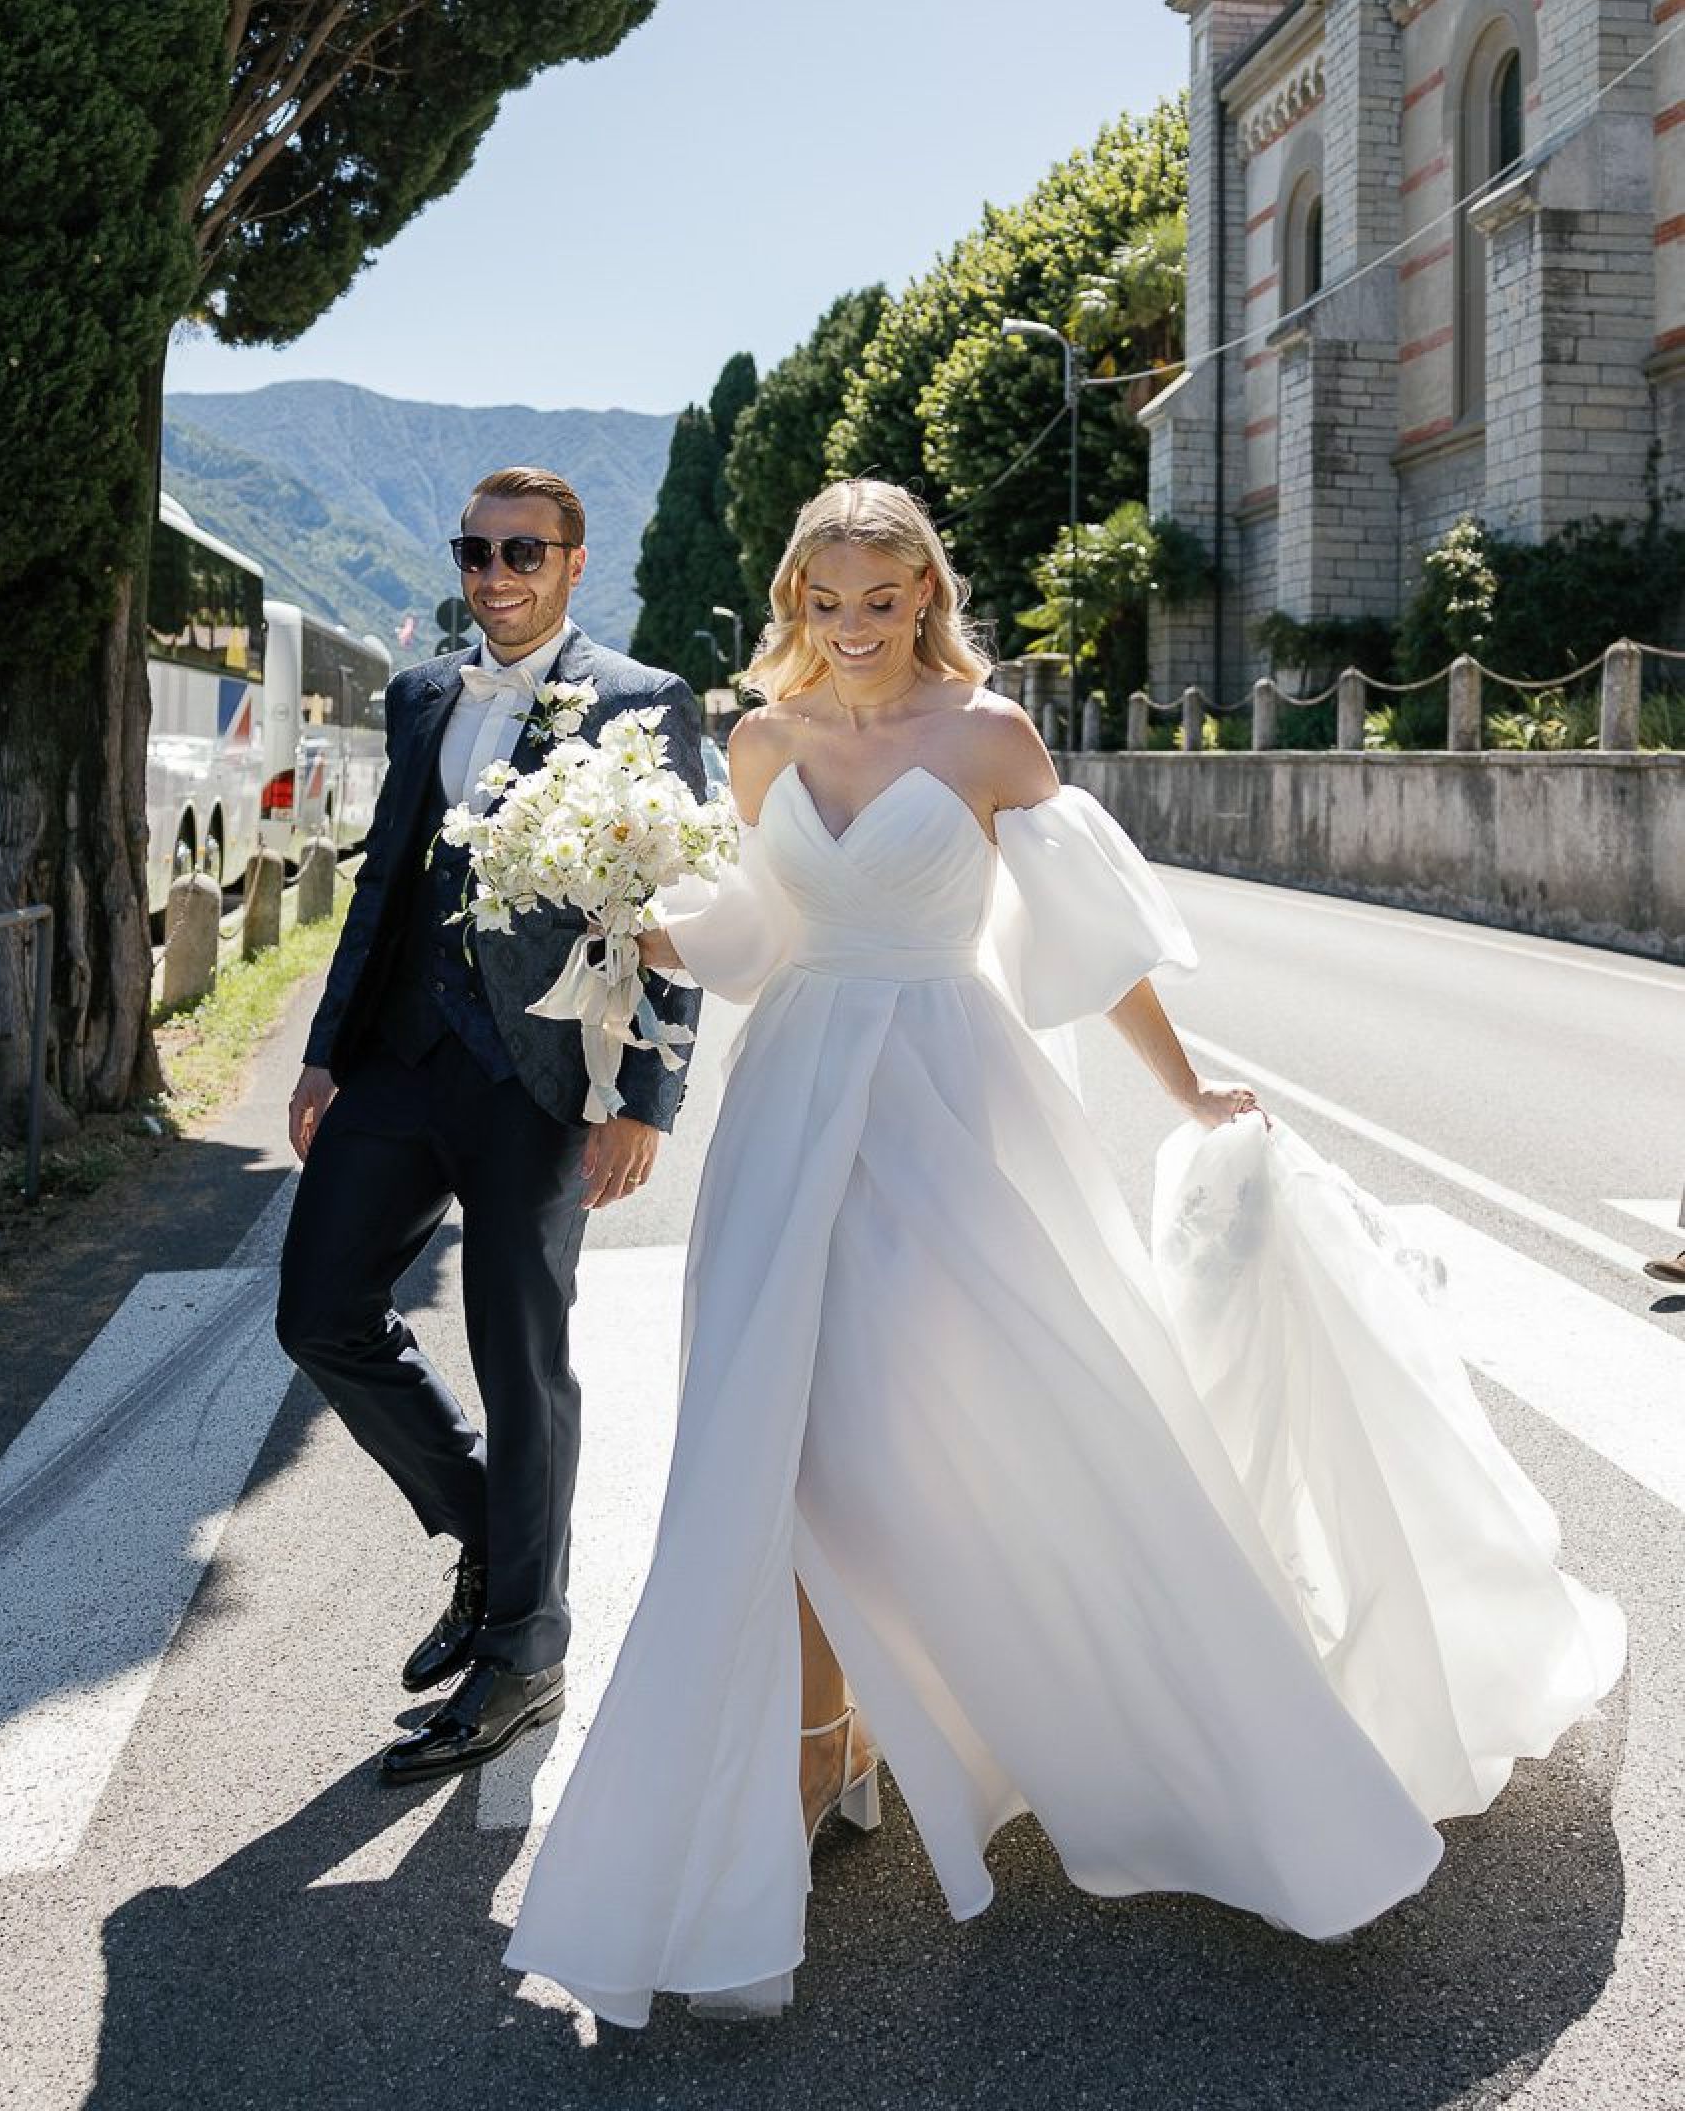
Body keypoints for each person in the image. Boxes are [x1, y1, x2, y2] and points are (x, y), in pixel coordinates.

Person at [503, 477, 1625, 2027]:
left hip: (950, 1110)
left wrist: (1185, 1085)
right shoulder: (756, 741)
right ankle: (823, 1742)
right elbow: (755, 945)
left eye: (878, 605)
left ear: (924, 598)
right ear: (794, 602)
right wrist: (634, 912)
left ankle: (1078, 1723)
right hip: (790, 1114)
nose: (851, 632)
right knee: (774, 1434)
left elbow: (1091, 944)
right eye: (825, 605)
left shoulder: (988, 740)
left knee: (962, 1419)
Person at [275, 466, 704, 1785]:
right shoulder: (422, 696)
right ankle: (490, 1539)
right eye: (475, 551)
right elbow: (382, 892)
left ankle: (528, 1650)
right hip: (399, 1066)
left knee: (524, 1364)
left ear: (575, 562)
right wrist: (326, 1051)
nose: (496, 574)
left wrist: (645, 1098)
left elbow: (676, 912)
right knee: (318, 1312)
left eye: (523, 551)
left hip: (544, 1082)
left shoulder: (645, 702)